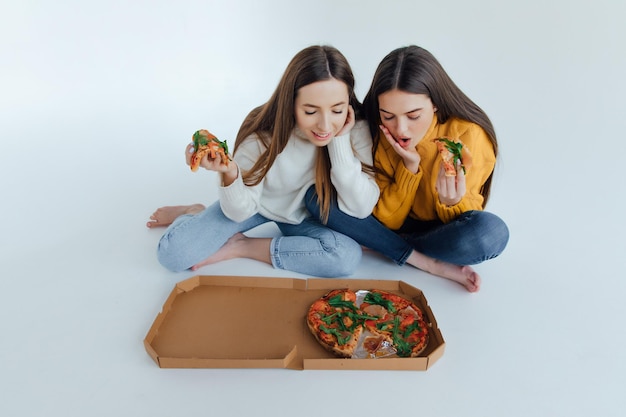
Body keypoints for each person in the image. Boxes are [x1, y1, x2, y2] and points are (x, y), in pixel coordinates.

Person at [146, 45, 379, 278]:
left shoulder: (354, 128)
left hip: (308, 217)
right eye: (310, 112)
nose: (325, 126)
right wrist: (229, 173)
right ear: (291, 103)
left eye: (337, 110)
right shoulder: (263, 133)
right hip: (254, 204)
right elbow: (240, 211)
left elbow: (361, 207)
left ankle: (242, 246)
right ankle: (193, 213)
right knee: (173, 255)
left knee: (345, 257)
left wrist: (339, 143)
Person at [305, 45, 509, 292]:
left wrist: (452, 202)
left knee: (491, 233)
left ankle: (383, 244)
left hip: (443, 231)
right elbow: (387, 219)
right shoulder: (381, 134)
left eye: (413, 116)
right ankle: (424, 261)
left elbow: (469, 222)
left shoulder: (469, 136)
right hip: (395, 223)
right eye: (388, 116)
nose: (400, 130)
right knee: (317, 197)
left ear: (435, 103)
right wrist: (409, 168)